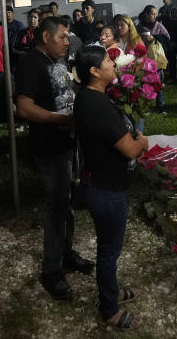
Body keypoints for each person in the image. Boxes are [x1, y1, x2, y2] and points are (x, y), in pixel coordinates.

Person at [15, 16, 93, 300]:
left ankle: (66, 252)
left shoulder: (58, 60)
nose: (66, 42)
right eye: (62, 37)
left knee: (67, 202)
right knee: (56, 206)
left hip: (68, 141)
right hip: (49, 145)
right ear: (46, 37)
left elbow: (64, 91)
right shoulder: (31, 63)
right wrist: (58, 119)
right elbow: (23, 107)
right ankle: (51, 270)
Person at [73, 46, 149, 330]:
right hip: (106, 190)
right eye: (107, 61)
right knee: (108, 251)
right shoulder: (96, 104)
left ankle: (111, 290)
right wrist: (142, 142)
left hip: (104, 184)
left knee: (110, 248)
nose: (112, 63)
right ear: (94, 72)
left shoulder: (92, 98)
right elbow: (129, 149)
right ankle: (110, 309)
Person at [139, 30, 167, 116]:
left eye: (146, 36)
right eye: (143, 36)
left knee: (158, 88)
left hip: (156, 69)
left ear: (151, 35)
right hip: (145, 69)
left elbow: (160, 56)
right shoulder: (142, 44)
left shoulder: (156, 44)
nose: (145, 38)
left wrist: (160, 67)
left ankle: (160, 106)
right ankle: (146, 107)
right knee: (147, 89)